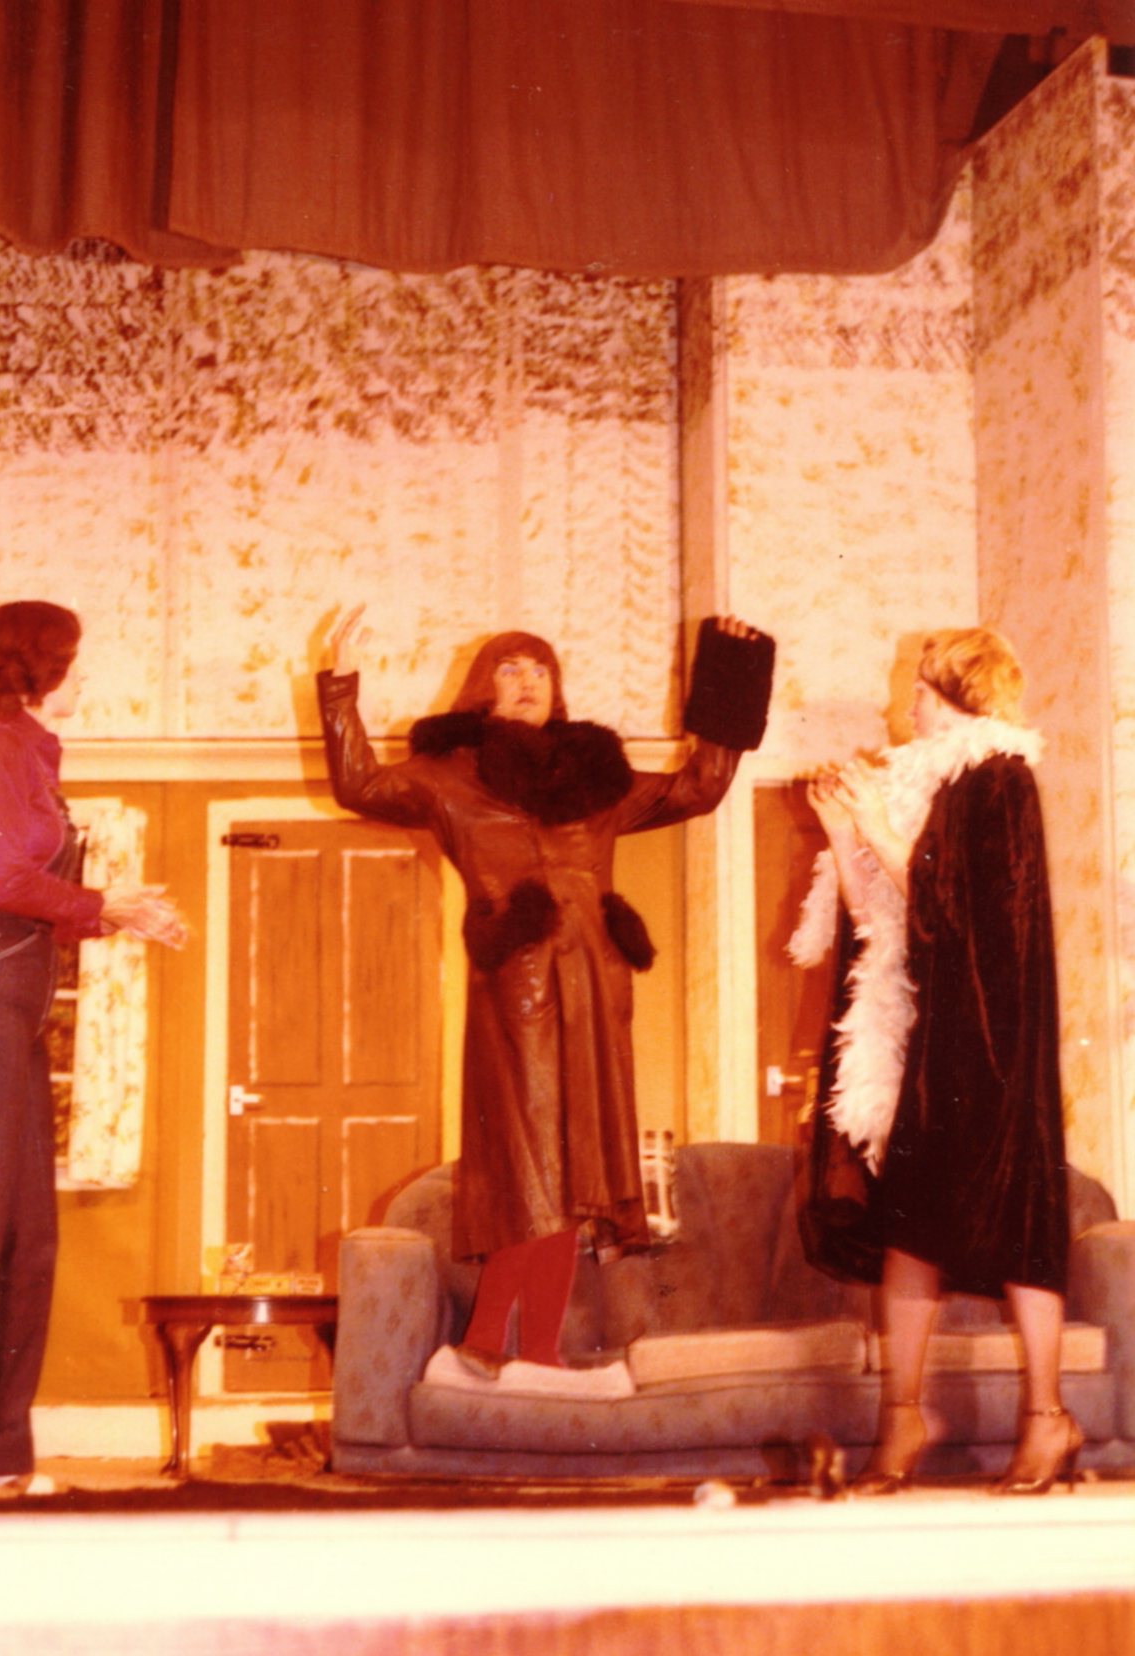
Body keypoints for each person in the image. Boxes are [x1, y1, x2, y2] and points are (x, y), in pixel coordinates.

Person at [319, 605, 774, 1376]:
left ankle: (520, 1350)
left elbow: (699, 787)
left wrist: (731, 678)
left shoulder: (597, 780)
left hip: (598, 988)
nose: (527, 681)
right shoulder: (449, 776)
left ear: (556, 688)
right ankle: (495, 1343)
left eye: (540, 670)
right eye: (510, 669)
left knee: (573, 1174)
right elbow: (359, 783)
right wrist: (340, 681)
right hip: (515, 987)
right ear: (482, 688)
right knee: (530, 1167)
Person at [791, 626, 1076, 1495]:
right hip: (929, 1040)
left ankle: (1047, 1419)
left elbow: (964, 921)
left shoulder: (999, 777)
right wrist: (845, 831)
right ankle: (903, 1421)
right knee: (908, 1232)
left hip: (990, 1044)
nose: (904, 704)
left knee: (1017, 1220)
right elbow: (886, 924)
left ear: (958, 690)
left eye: (917, 690)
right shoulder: (928, 782)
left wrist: (878, 825)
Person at [0, 601, 186, 1501]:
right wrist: (102, 905)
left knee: (26, 1238)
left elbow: (26, 894)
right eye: (73, 661)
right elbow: (4, 880)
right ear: (35, 668)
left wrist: (119, 917)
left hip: (12, 1000)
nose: (83, 676)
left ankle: (3, 1455)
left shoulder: (33, 757)